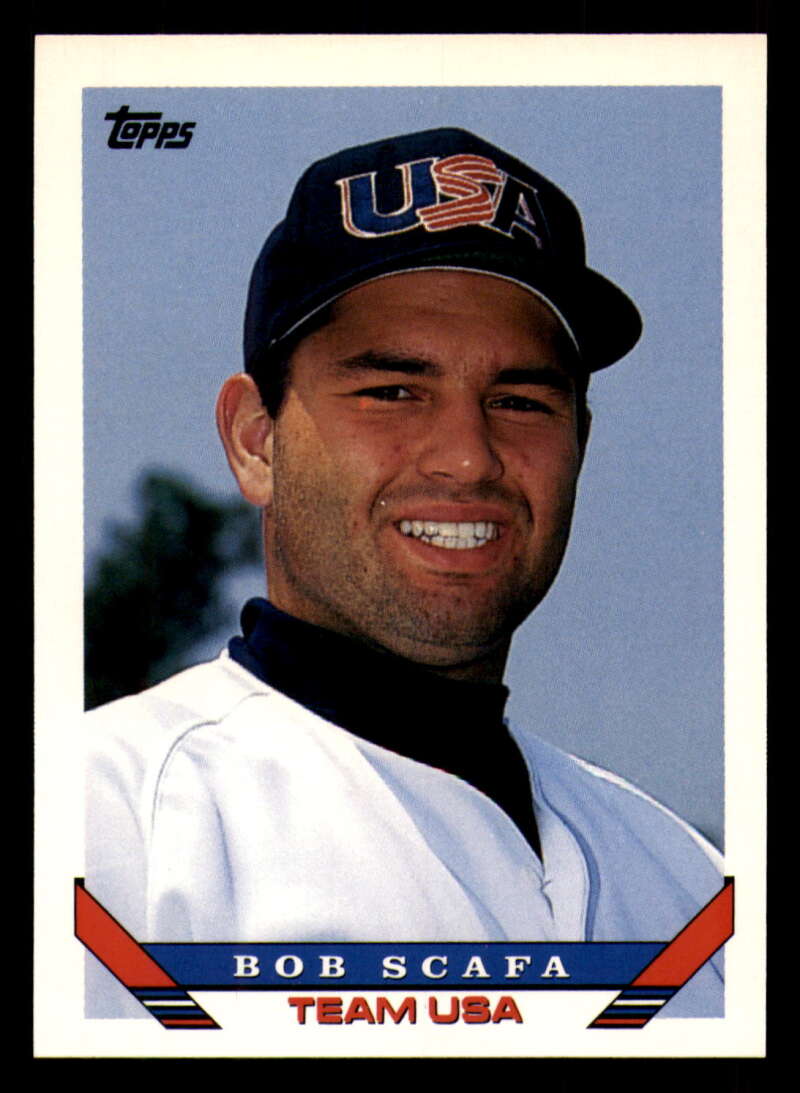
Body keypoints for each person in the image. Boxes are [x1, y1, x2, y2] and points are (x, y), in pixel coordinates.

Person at [85, 128, 723, 1017]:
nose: (468, 456)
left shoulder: (693, 886)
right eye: (392, 391)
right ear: (256, 440)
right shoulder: (108, 824)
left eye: (520, 401)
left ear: (579, 443)